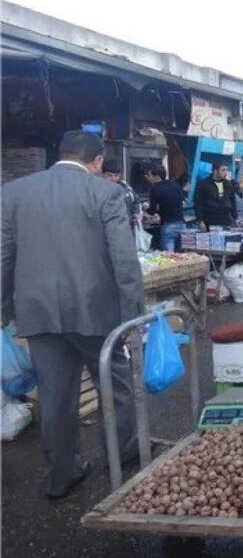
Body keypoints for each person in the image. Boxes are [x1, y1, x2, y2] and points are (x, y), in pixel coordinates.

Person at [1, 130, 144, 499]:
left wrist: (4, 310)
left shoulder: (14, 193)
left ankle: (61, 476)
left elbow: (3, 259)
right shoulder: (106, 193)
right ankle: (123, 457)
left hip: (38, 313)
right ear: (96, 161)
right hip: (95, 312)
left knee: (54, 396)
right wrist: (133, 318)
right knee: (116, 386)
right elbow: (125, 262)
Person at [146, 166, 186, 252]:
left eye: (149, 175)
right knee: (181, 258)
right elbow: (180, 202)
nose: (147, 178)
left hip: (168, 226)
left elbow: (152, 210)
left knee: (169, 258)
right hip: (182, 225)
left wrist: (145, 209)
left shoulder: (155, 188)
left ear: (156, 176)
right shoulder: (175, 186)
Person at [194, 161, 236, 229]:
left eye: (226, 170)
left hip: (225, 219)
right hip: (209, 219)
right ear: (215, 171)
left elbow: (232, 201)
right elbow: (198, 203)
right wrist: (200, 220)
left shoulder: (228, 184)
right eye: (223, 170)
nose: (225, 173)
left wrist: (235, 217)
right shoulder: (204, 184)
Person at [101, 159, 141, 232]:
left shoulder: (125, 186)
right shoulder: (97, 189)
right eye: (109, 175)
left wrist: (136, 212)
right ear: (102, 174)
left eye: (116, 176)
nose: (113, 179)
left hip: (127, 227)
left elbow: (135, 201)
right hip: (106, 229)